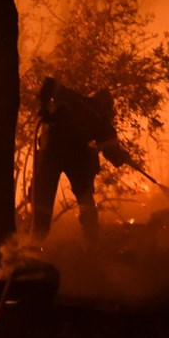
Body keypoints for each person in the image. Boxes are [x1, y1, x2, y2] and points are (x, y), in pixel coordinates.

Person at [31, 76, 132, 241]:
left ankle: (33, 243)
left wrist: (43, 106)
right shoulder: (101, 120)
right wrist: (124, 158)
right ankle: (91, 240)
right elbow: (112, 153)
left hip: (50, 151)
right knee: (85, 197)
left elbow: (48, 83)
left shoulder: (71, 97)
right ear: (106, 106)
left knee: (42, 200)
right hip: (73, 156)